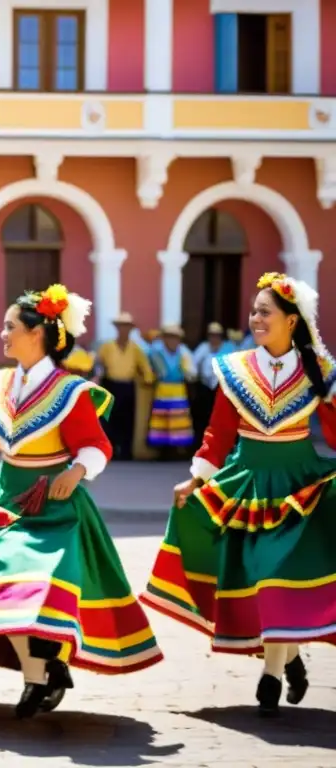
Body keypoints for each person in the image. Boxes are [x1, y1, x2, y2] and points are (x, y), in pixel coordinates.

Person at [0, 284, 163, 719]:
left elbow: (96, 445)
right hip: (3, 496)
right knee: (3, 586)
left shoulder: (70, 392)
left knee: (30, 586)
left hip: (53, 506)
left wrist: (76, 472)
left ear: (37, 333)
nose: (1, 334)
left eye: (9, 326)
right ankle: (40, 676)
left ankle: (45, 670)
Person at [142, 272, 336, 716]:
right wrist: (196, 478)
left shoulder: (319, 370)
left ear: (292, 320)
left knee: (275, 573)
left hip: (297, 482)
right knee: (255, 576)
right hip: (246, 480)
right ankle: (290, 659)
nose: (256, 318)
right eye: (253, 311)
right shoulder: (236, 368)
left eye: (265, 312)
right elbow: (220, 430)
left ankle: (270, 676)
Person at [95, 313, 155, 461]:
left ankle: (126, 451)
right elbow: (98, 363)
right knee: (109, 419)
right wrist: (97, 376)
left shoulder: (135, 348)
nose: (124, 330)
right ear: (117, 328)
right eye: (121, 327)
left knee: (127, 419)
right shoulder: (107, 346)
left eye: (126, 327)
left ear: (130, 329)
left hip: (128, 385)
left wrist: (148, 378)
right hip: (110, 384)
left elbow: (145, 366)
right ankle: (111, 451)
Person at [147, 325, 195, 457]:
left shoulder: (183, 352)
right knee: (162, 418)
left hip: (178, 389)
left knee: (178, 419)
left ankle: (177, 448)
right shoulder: (156, 351)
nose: (172, 341)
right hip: (163, 388)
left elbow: (191, 371)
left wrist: (187, 371)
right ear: (164, 339)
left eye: (175, 338)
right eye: (169, 337)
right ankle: (163, 449)